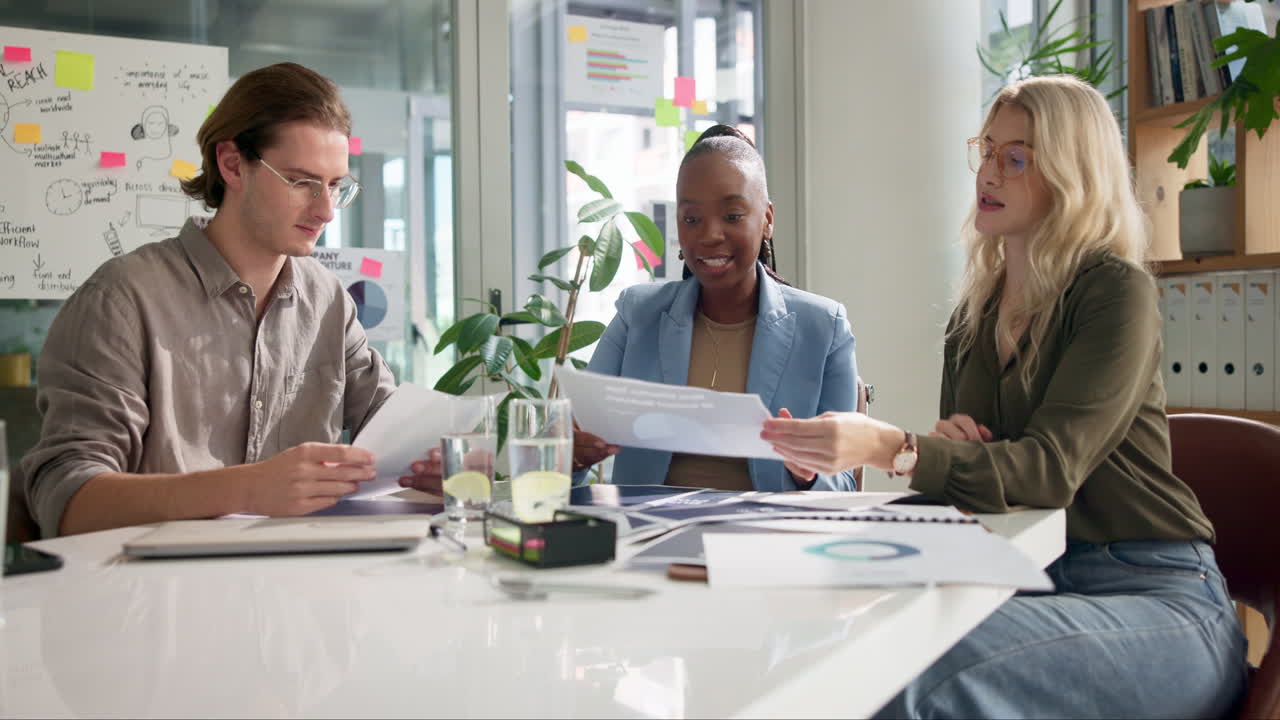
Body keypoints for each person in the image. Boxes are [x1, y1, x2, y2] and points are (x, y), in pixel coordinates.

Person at [761, 75, 1247, 717]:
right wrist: (880, 464)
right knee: (835, 638)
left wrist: (895, 447)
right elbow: (970, 489)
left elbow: (1044, 472)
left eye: (1015, 158)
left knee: (910, 669)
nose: (988, 172)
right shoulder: (974, 316)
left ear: (1072, 176)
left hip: (1152, 595)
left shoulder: (1114, 293)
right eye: (986, 150)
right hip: (1022, 585)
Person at [21, 63, 441, 538]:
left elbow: (395, 430)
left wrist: (437, 465)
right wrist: (245, 489)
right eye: (302, 182)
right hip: (154, 597)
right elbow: (68, 500)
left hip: (301, 589)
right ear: (231, 164)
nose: (325, 210)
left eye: (336, 185)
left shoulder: (328, 300)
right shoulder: (121, 300)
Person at [574, 125, 860, 492]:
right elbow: (576, 438)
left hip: (768, 538)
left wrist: (811, 473)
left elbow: (843, 481)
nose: (709, 235)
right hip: (649, 536)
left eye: (732, 216)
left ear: (768, 219)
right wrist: (572, 452)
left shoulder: (824, 327)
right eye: (692, 219)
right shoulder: (637, 314)